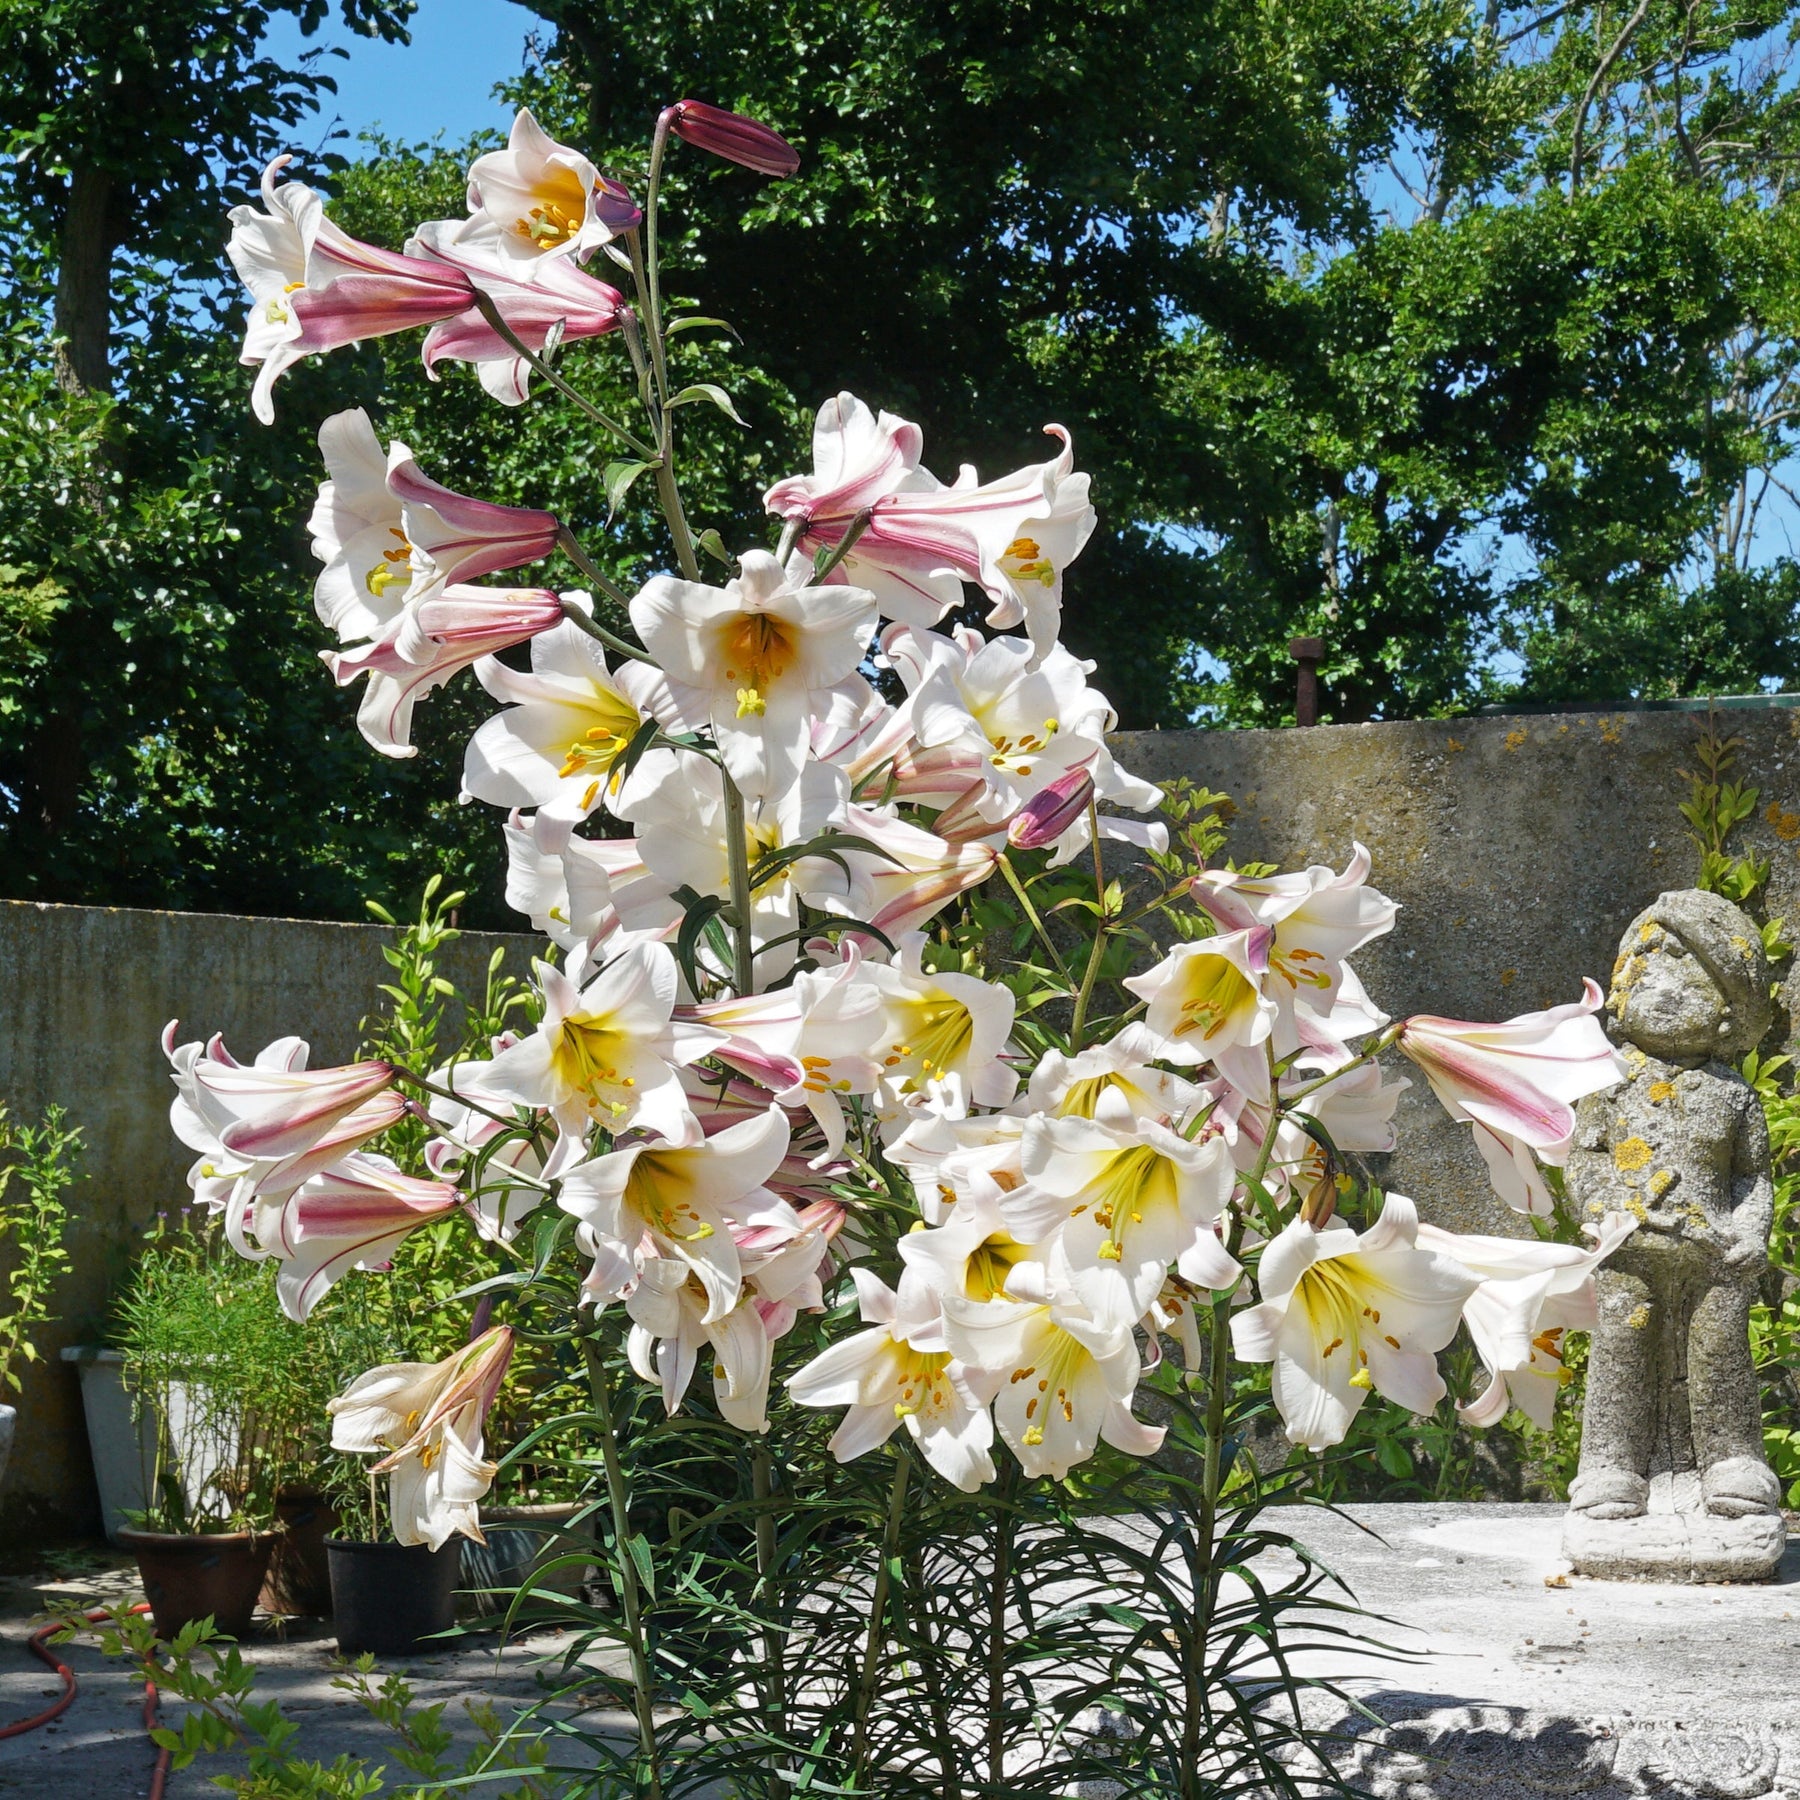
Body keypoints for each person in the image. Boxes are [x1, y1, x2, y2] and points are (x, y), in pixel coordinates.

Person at [1566, 889, 1780, 1522]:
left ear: (1728, 1016)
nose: (1660, 988)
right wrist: (1606, 1208)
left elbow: (1753, 1179)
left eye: (1687, 979)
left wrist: (1750, 1232)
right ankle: (1610, 1464)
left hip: (1715, 1257)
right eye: (1645, 968)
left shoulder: (1734, 1096)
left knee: (1719, 1349)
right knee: (1622, 1347)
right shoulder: (1609, 1086)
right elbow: (1587, 1158)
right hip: (1630, 1253)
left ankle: (1732, 1460)